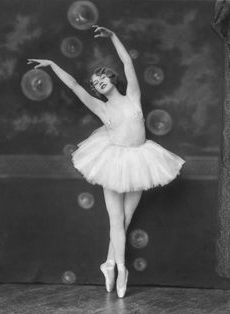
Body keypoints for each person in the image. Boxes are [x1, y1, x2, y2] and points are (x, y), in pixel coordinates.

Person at [27, 25, 185, 298]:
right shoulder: (101, 107)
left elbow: (127, 62)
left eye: (102, 78)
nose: (99, 83)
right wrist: (52, 65)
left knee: (126, 217)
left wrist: (113, 38)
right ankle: (121, 269)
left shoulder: (132, 96)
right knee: (115, 219)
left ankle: (109, 261)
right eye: (96, 83)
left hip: (140, 160)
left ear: (112, 79)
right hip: (112, 161)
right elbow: (75, 85)